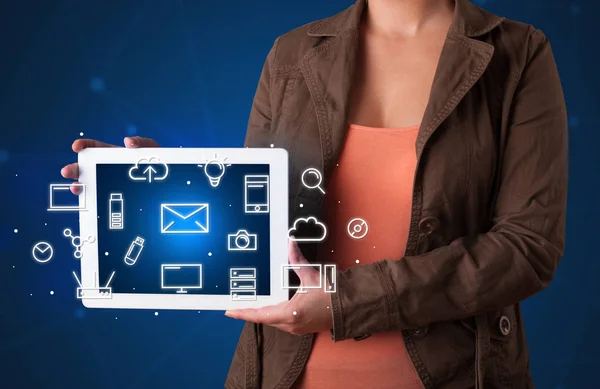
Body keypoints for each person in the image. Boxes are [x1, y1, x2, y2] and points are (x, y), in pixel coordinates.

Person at [61, 0, 568, 387]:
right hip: (285, 373)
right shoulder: (292, 54)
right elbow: (258, 233)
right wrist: (168, 182)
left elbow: (527, 249)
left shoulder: (517, 54)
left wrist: (346, 302)